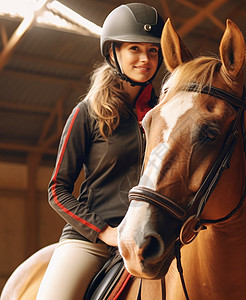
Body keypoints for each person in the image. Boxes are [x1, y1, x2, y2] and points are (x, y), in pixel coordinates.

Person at [36, 3, 164, 299]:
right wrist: (103, 231)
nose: (145, 59)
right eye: (135, 48)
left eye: (153, 50)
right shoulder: (86, 114)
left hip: (155, 235)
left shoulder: (165, 115)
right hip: (93, 241)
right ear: (113, 53)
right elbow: (57, 190)